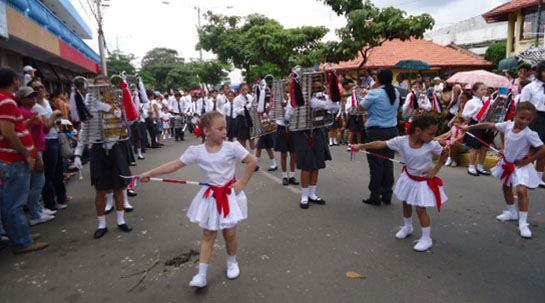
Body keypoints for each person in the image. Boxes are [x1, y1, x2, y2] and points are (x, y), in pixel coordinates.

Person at [139, 111, 257, 288]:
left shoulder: (232, 147)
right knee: (208, 234)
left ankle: (232, 261)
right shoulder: (197, 151)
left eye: (225, 128)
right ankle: (202, 274)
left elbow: (252, 161)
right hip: (211, 196)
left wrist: (243, 183)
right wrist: (150, 173)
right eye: (220, 128)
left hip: (228, 195)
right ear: (207, 131)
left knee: (230, 233)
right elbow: (175, 165)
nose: (225, 131)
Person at [353, 114, 449, 251]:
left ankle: (426, 238)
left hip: (423, 180)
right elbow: (381, 143)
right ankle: (408, 226)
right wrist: (361, 146)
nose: (434, 137)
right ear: (418, 131)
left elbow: (445, 154)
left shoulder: (431, 144)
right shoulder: (401, 141)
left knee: (421, 208)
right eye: (431, 134)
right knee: (406, 202)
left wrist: (436, 168)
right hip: (409, 177)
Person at [462, 102, 545, 238]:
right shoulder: (508, 125)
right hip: (507, 163)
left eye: (528, 119)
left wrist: (528, 161)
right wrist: (469, 127)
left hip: (521, 166)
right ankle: (512, 212)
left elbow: (543, 150)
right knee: (506, 187)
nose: (524, 121)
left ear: (533, 119)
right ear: (515, 115)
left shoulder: (530, 134)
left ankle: (523, 223)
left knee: (521, 190)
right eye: (521, 117)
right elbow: (488, 125)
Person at [73, 76, 133, 239]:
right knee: (100, 189)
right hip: (98, 150)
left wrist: (109, 108)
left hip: (115, 147)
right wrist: (78, 153)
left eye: (104, 86)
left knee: (119, 187)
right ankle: (102, 224)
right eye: (97, 87)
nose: (100, 90)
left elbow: (128, 120)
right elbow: (84, 131)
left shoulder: (117, 103)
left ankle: (121, 221)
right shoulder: (89, 106)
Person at [0, 67, 48, 254]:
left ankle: (19, 234)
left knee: (10, 202)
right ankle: (22, 241)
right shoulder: (6, 102)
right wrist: (27, 154)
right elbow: (8, 132)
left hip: (10, 158)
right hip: (14, 159)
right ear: (14, 81)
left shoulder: (7, 101)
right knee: (14, 203)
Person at [286, 80, 339, 209]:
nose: (317, 86)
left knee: (316, 165)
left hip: (318, 131)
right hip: (301, 133)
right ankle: (304, 196)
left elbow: (334, 109)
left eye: (318, 84)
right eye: (314, 84)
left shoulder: (321, 97)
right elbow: (287, 116)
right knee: (306, 166)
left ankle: (312, 194)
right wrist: (296, 106)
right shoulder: (294, 98)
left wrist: (328, 101)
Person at [360, 68, 400, 206]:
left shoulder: (375, 93)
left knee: (376, 164)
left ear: (378, 79)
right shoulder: (395, 92)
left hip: (377, 132)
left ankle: (375, 194)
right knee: (388, 162)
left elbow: (361, 107)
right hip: (392, 131)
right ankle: (387, 193)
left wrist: (367, 94)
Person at [16, 87, 54, 225]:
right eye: (29, 96)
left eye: (34, 96)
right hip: (34, 149)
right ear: (22, 99)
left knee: (38, 181)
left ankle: (37, 209)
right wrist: (35, 156)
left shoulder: (31, 111)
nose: (33, 99)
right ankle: (35, 213)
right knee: (37, 182)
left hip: (38, 147)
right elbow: (23, 133)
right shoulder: (23, 113)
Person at [29, 79, 68, 211]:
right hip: (46, 141)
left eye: (42, 86)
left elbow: (54, 120)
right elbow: (45, 127)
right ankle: (51, 203)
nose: (40, 89)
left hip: (55, 137)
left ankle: (62, 196)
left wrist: (56, 116)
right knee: (49, 174)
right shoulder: (36, 107)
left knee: (59, 170)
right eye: (37, 88)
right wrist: (55, 115)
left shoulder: (46, 102)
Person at [520, 61, 545, 188]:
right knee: (532, 149)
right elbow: (523, 105)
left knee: (544, 150)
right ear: (539, 72)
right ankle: (528, 178)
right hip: (535, 118)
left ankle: (539, 177)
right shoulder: (530, 87)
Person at [462, 82, 493, 176]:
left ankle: (480, 167)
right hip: (475, 125)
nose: (484, 91)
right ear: (474, 91)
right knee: (475, 148)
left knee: (484, 147)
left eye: (485, 89)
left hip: (486, 124)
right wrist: (473, 111)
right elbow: (464, 115)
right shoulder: (471, 102)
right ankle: (471, 167)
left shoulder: (488, 101)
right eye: (481, 89)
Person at [233, 84, 256, 153]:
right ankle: (244, 155)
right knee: (242, 139)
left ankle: (254, 154)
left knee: (252, 138)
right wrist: (245, 109)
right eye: (243, 90)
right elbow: (236, 111)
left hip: (250, 119)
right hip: (242, 119)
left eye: (246, 89)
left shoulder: (250, 97)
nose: (245, 91)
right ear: (240, 90)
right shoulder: (237, 99)